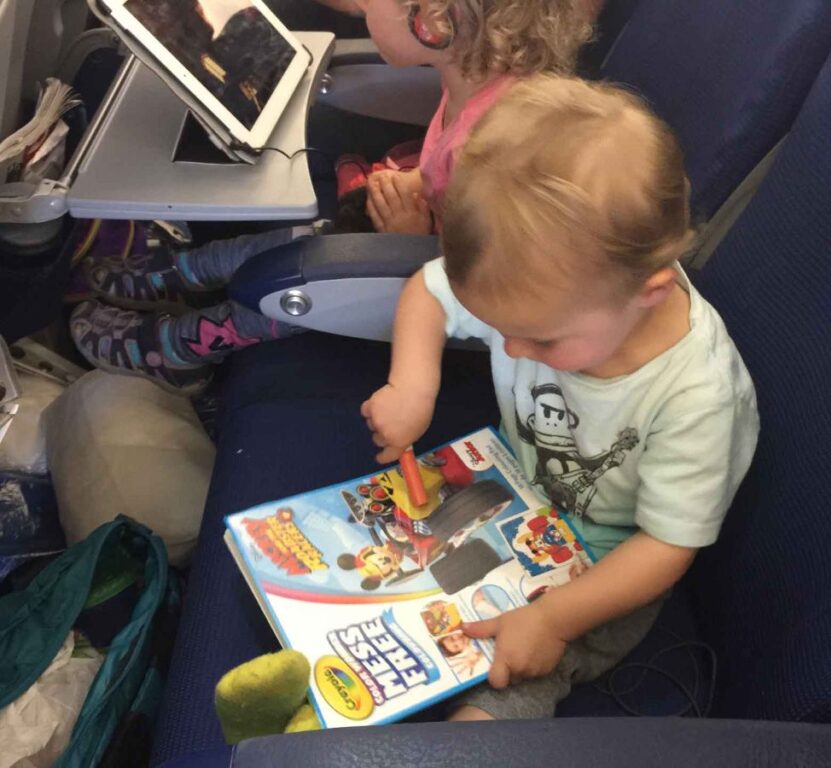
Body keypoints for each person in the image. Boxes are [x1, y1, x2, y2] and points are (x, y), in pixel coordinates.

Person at [361, 75, 760, 721]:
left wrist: (552, 619)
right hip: (508, 494)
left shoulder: (698, 397)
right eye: (502, 328)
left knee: (512, 682)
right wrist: (412, 386)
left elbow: (666, 546)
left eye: (539, 338)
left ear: (648, 294)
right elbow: (428, 293)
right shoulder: (551, 289)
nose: (511, 351)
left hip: (602, 569)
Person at [69, 0, 591, 395]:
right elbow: (452, 181)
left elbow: (497, 282)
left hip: (441, 284)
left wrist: (409, 242)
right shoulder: (477, 86)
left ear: (433, 21)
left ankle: (181, 348)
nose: (362, 9)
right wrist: (422, 186)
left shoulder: (502, 141)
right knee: (305, 237)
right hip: (431, 232)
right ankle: (184, 275)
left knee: (307, 274)